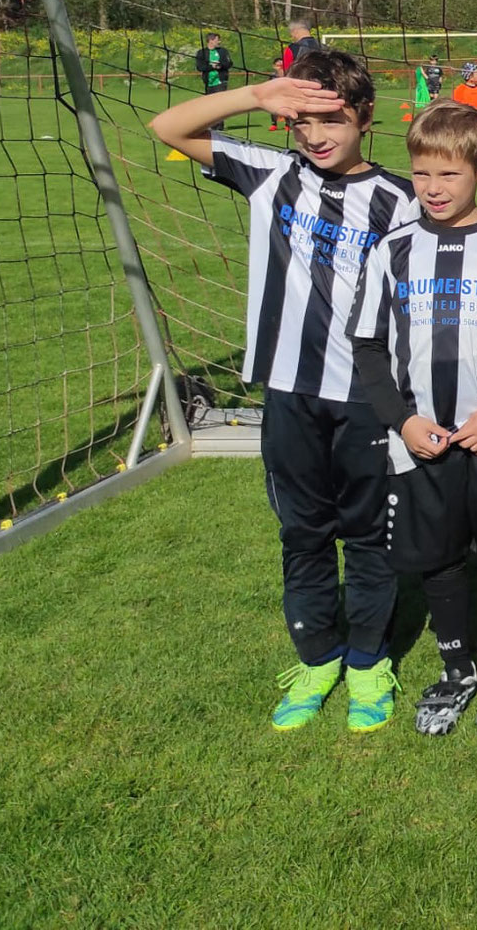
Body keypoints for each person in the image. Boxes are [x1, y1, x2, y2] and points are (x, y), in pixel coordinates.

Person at [149, 49, 419, 732]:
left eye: (330, 119)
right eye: (300, 122)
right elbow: (168, 126)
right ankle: (318, 656)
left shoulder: (401, 200)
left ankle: (366, 661)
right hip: (289, 392)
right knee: (303, 533)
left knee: (367, 535)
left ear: (364, 117)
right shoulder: (270, 175)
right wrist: (256, 94)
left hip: (367, 397)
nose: (316, 135)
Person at [350, 100, 477, 735]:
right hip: (418, 442)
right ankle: (456, 666)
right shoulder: (392, 250)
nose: (433, 189)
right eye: (422, 174)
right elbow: (370, 347)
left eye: (449, 175)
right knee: (439, 559)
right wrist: (401, 422)